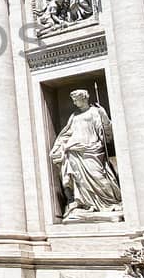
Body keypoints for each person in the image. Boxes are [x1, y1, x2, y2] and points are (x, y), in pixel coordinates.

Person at [49, 88, 121, 216]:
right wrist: (60, 145)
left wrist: (103, 114)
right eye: (73, 101)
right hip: (74, 150)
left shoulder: (95, 112)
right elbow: (67, 132)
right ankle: (86, 203)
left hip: (92, 148)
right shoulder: (74, 116)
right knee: (79, 179)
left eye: (76, 100)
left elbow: (104, 130)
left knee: (98, 175)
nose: (75, 103)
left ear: (84, 98)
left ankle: (110, 202)